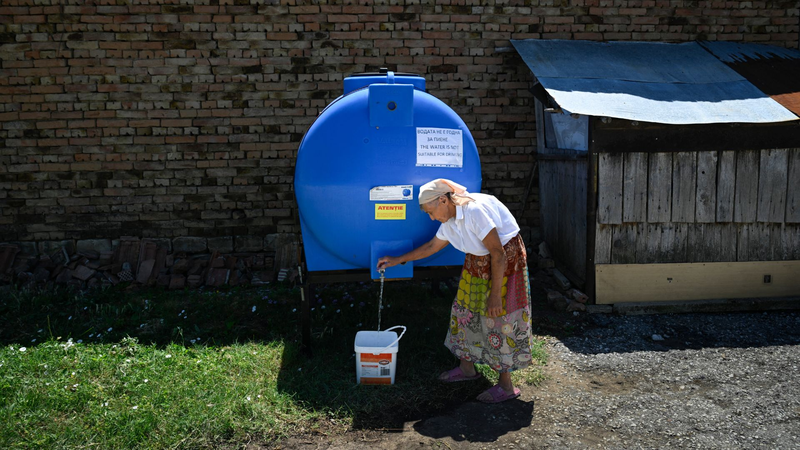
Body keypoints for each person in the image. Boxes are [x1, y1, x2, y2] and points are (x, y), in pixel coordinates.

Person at [377, 178, 533, 404]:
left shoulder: (474, 211)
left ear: (443, 200)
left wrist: (495, 295)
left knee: (500, 318)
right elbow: (431, 246)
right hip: (477, 260)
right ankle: (467, 368)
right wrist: (397, 260)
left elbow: (498, 253)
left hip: (505, 261)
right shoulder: (450, 220)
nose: (432, 218)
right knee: (464, 311)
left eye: (431, 212)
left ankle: (506, 386)